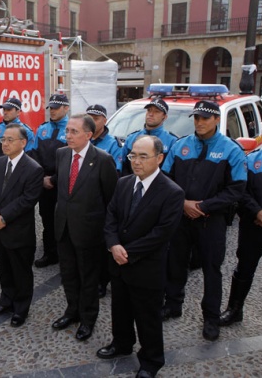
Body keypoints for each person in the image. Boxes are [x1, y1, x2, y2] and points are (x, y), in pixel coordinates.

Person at [97, 136, 184, 378]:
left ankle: (151, 360)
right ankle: (121, 343)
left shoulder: (172, 192)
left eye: (143, 156)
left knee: (148, 317)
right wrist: (113, 245)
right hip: (119, 261)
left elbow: (162, 233)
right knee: (120, 309)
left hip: (146, 266)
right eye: (133, 155)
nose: (136, 161)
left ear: (160, 158)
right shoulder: (124, 183)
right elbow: (111, 215)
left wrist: (128, 252)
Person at [161, 100, 247, 341]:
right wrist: (183, 204)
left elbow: (237, 189)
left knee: (212, 269)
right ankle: (173, 304)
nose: (199, 122)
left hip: (212, 220)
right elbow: (166, 179)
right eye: (196, 118)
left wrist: (204, 206)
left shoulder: (231, 149)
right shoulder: (181, 145)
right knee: (175, 263)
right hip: (182, 217)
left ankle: (210, 317)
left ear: (217, 120)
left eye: (205, 118)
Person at [51, 114, 118, 341]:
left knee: (88, 278)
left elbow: (111, 199)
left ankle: (88, 319)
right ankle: (72, 311)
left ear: (88, 135)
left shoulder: (103, 159)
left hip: (89, 231)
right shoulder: (61, 154)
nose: (67, 135)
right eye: (67, 131)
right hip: (63, 227)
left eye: (73, 132)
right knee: (68, 274)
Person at [219, 114, 262, 334]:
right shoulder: (251, 158)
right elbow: (240, 191)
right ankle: (235, 310)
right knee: (243, 269)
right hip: (253, 225)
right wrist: (258, 212)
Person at [0, 123, 43, 327]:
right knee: (4, 268)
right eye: (3, 139)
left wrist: (4, 217)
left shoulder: (34, 169)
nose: (5, 143)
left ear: (23, 142)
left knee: (21, 272)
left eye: (10, 140)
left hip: (18, 231)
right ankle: (6, 301)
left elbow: (27, 200)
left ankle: (21, 308)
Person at [86, 104, 123, 298]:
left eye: (96, 118)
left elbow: (113, 176)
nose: (92, 121)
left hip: (101, 201)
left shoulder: (112, 144)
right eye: (89, 117)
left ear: (104, 120)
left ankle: (102, 280)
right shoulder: (81, 140)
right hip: (83, 202)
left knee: (101, 244)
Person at [30, 94, 69, 269]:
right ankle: (50, 253)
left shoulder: (71, 129)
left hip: (62, 182)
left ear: (66, 108)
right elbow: (34, 154)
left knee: (65, 220)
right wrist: (41, 178)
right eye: (51, 108)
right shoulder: (42, 129)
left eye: (56, 107)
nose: (52, 111)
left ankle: (65, 255)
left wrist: (53, 179)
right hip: (44, 182)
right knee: (46, 219)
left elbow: (71, 160)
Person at [121, 98, 178, 175]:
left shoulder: (172, 141)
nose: (151, 114)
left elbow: (169, 172)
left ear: (164, 117)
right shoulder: (131, 138)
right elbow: (122, 167)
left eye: (156, 111)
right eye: (149, 110)